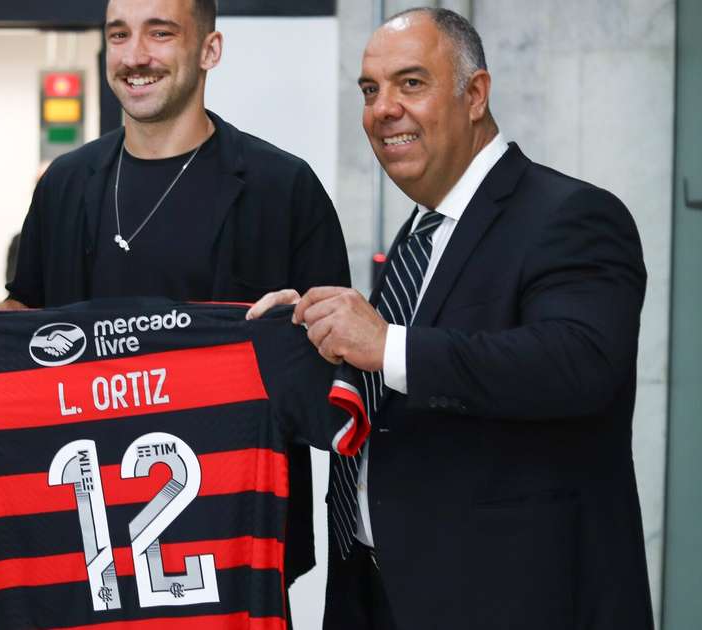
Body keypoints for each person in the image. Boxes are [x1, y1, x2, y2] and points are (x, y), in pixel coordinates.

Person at [0, 0, 350, 601]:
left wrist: (306, 326)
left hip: (233, 539)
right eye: (119, 35)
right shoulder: (68, 184)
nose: (135, 56)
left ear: (209, 50)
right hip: (82, 536)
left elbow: (341, 359)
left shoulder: (284, 188)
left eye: (160, 33)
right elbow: (30, 315)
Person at [249, 8, 652, 629]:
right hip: (376, 591)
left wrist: (385, 345)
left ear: (475, 94)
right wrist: (307, 341)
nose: (383, 108)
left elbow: (579, 364)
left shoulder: (571, 215)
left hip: (510, 600)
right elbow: (409, 396)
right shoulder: (417, 239)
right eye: (369, 90)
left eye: (410, 83)